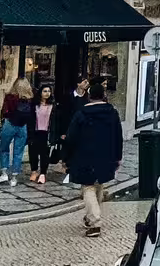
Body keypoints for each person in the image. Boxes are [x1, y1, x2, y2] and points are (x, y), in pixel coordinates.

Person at [64, 77, 124, 236]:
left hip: (85, 155)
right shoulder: (112, 113)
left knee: (88, 186)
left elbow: (71, 137)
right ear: (103, 95)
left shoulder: (81, 113)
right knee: (99, 185)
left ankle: (95, 221)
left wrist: (66, 158)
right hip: (106, 154)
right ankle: (91, 217)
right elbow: (118, 135)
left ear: (89, 95)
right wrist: (118, 156)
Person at [0, 79, 32, 187]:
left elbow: (4, 111)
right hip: (23, 126)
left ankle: (4, 172)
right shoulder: (30, 99)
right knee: (18, 152)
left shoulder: (10, 97)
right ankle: (14, 177)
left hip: (10, 124)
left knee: (4, 148)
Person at [28, 84, 55, 186]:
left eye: (49, 91)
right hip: (35, 132)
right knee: (33, 152)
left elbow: (55, 122)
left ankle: (43, 173)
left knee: (44, 154)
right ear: (40, 93)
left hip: (46, 132)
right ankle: (34, 171)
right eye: (45, 91)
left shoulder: (53, 106)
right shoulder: (34, 105)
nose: (47, 93)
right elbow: (30, 119)